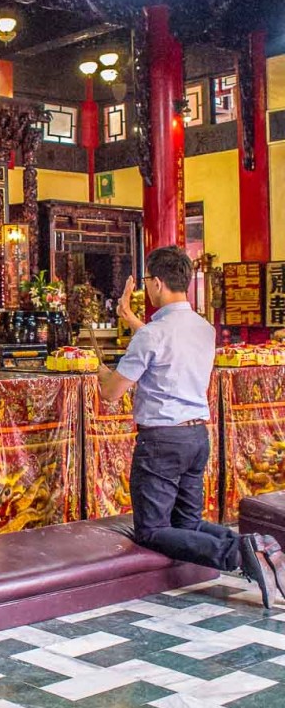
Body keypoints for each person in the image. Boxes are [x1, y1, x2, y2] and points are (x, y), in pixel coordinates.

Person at [97, 245, 285, 608]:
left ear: (157, 283)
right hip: (197, 437)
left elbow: (111, 393)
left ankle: (238, 556)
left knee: (152, 530)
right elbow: (169, 343)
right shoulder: (204, 328)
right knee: (186, 522)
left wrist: (102, 370)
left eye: (148, 282)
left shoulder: (151, 335)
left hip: (162, 442)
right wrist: (134, 323)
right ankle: (260, 545)